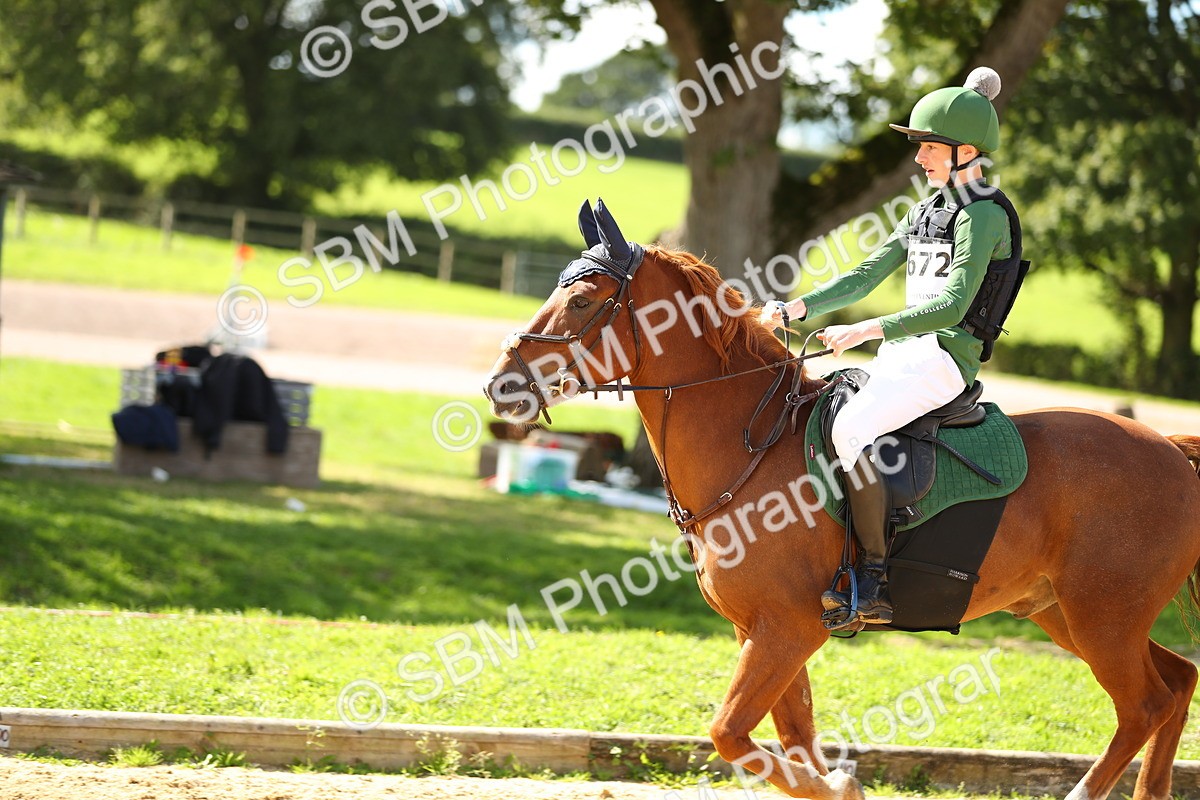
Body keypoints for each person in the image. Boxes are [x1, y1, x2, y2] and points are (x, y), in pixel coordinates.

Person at [761, 66, 1024, 626]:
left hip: (945, 360)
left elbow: (952, 307)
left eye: (929, 147)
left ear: (966, 151)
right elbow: (865, 274)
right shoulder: (927, 210)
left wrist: (864, 330)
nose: (919, 158)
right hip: (906, 353)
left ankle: (873, 580)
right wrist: (797, 308)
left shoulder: (983, 215)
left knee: (851, 429)